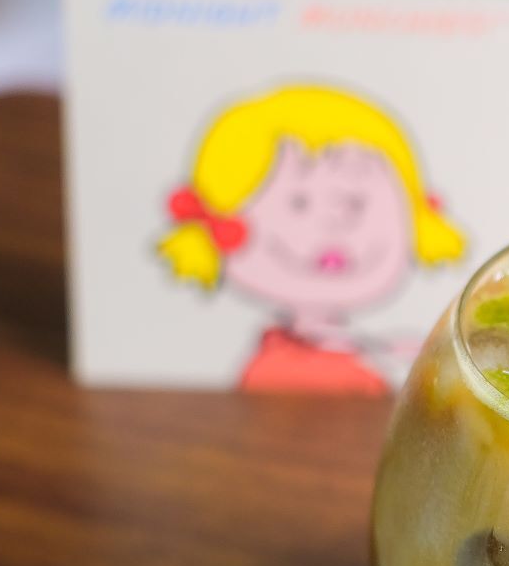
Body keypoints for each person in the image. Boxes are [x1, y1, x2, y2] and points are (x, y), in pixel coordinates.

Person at [157, 83, 463, 392]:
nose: (333, 223)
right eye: (298, 203)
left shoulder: (362, 355)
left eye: (354, 203)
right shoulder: (280, 365)